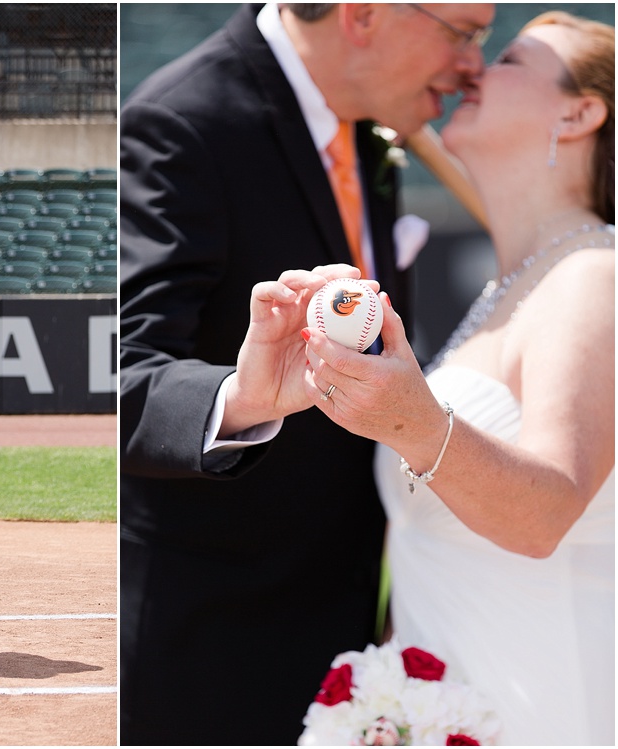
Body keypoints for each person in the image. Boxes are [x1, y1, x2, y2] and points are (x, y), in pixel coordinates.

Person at [120, 3, 495, 743]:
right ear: (361, 15)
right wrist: (241, 396)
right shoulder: (180, 122)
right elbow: (123, 377)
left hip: (355, 634)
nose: (473, 65)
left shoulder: (370, 121)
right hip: (215, 654)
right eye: (463, 31)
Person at [301, 11, 614, 744]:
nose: (471, 67)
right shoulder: (518, 287)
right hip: (445, 710)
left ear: (578, 112)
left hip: (549, 705)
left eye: (506, 60)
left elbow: (542, 515)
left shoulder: (595, 276)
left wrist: (409, 418)